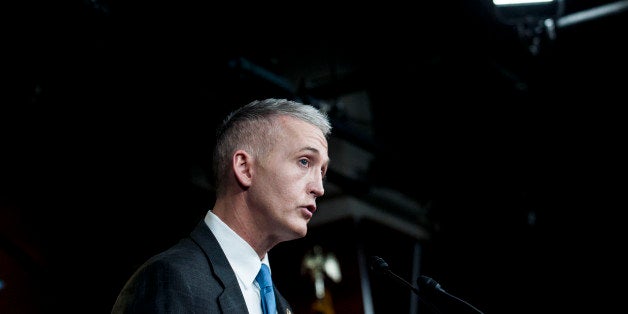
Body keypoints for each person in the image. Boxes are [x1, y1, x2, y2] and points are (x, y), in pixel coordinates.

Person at [112, 98, 332, 313]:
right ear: (245, 168)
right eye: (304, 161)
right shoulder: (170, 279)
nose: (319, 188)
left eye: (322, 171)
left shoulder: (280, 304)